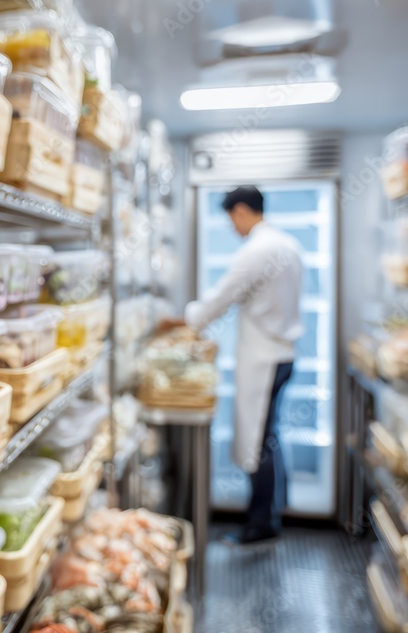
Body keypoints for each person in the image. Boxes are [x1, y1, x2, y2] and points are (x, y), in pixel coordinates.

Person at [164, 185, 304, 545]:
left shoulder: (258, 249)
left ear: (241, 210)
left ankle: (261, 523)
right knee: (269, 435)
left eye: (231, 219)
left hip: (264, 357)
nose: (232, 227)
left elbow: (220, 299)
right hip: (284, 354)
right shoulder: (287, 244)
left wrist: (181, 321)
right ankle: (273, 508)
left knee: (259, 439)